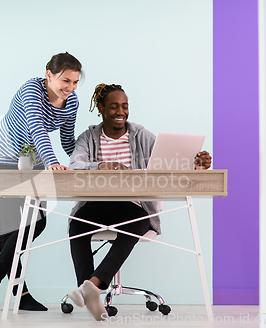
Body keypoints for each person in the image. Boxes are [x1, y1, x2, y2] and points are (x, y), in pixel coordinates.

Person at [67, 83, 211, 320]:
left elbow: (167, 163)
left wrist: (196, 165)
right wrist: (102, 166)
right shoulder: (89, 137)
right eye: (114, 106)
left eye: (124, 106)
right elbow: (75, 166)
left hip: (132, 206)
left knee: (137, 222)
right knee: (76, 226)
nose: (120, 112)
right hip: (96, 204)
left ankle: (90, 285)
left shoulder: (141, 135)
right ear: (101, 108)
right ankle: (90, 288)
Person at [0, 52, 82, 312]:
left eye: (75, 82)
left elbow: (68, 141)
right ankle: (20, 294)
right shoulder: (31, 90)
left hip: (30, 162)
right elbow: (36, 128)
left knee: (38, 221)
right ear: (49, 76)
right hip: (2, 160)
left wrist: (87, 159)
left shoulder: (72, 102)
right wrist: (52, 163)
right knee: (11, 226)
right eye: (65, 81)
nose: (70, 88)